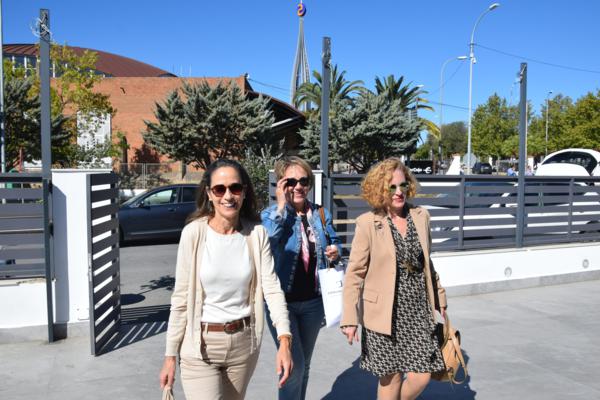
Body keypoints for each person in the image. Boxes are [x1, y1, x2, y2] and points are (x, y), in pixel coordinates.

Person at [159, 159, 293, 400]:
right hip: (199, 347)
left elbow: (272, 288)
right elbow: (180, 299)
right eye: (220, 189)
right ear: (209, 194)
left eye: (235, 188)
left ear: (244, 192)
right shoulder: (194, 233)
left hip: (244, 345)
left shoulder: (256, 234)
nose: (228, 196)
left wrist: (284, 340)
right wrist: (170, 356)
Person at [340, 157, 447, 400]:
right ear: (380, 189)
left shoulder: (421, 216)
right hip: (383, 315)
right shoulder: (368, 223)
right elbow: (354, 273)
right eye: (392, 187)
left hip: (419, 311)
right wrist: (349, 318)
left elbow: (427, 263)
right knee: (392, 378)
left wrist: (440, 298)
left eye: (403, 185)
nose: (399, 192)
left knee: (422, 376)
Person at [261, 156, 342, 400]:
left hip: (314, 303)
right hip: (282, 304)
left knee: (304, 365)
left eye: (303, 181)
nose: (298, 186)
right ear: (280, 184)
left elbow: (335, 241)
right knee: (292, 367)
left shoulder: (320, 213)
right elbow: (266, 243)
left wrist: (335, 251)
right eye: (291, 182)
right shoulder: (271, 214)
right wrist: (280, 206)